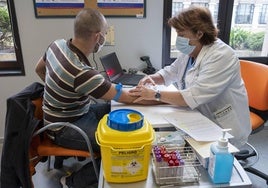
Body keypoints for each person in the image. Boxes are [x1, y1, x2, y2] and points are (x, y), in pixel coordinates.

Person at [35, 8, 139, 188]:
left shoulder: (56, 45)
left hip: (72, 114)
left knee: (116, 108)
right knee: (120, 148)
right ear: (97, 37)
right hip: (63, 128)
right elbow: (126, 97)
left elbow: (39, 69)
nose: (104, 38)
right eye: (105, 34)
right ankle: (71, 182)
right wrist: (157, 95)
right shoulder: (81, 72)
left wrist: (59, 88)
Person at [129, 6, 251, 148]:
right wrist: (153, 78)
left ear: (199, 33)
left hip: (222, 124)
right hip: (199, 117)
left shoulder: (221, 56)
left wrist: (155, 94)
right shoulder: (191, 51)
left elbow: (193, 96)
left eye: (181, 33)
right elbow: (171, 72)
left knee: (213, 159)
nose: (178, 38)